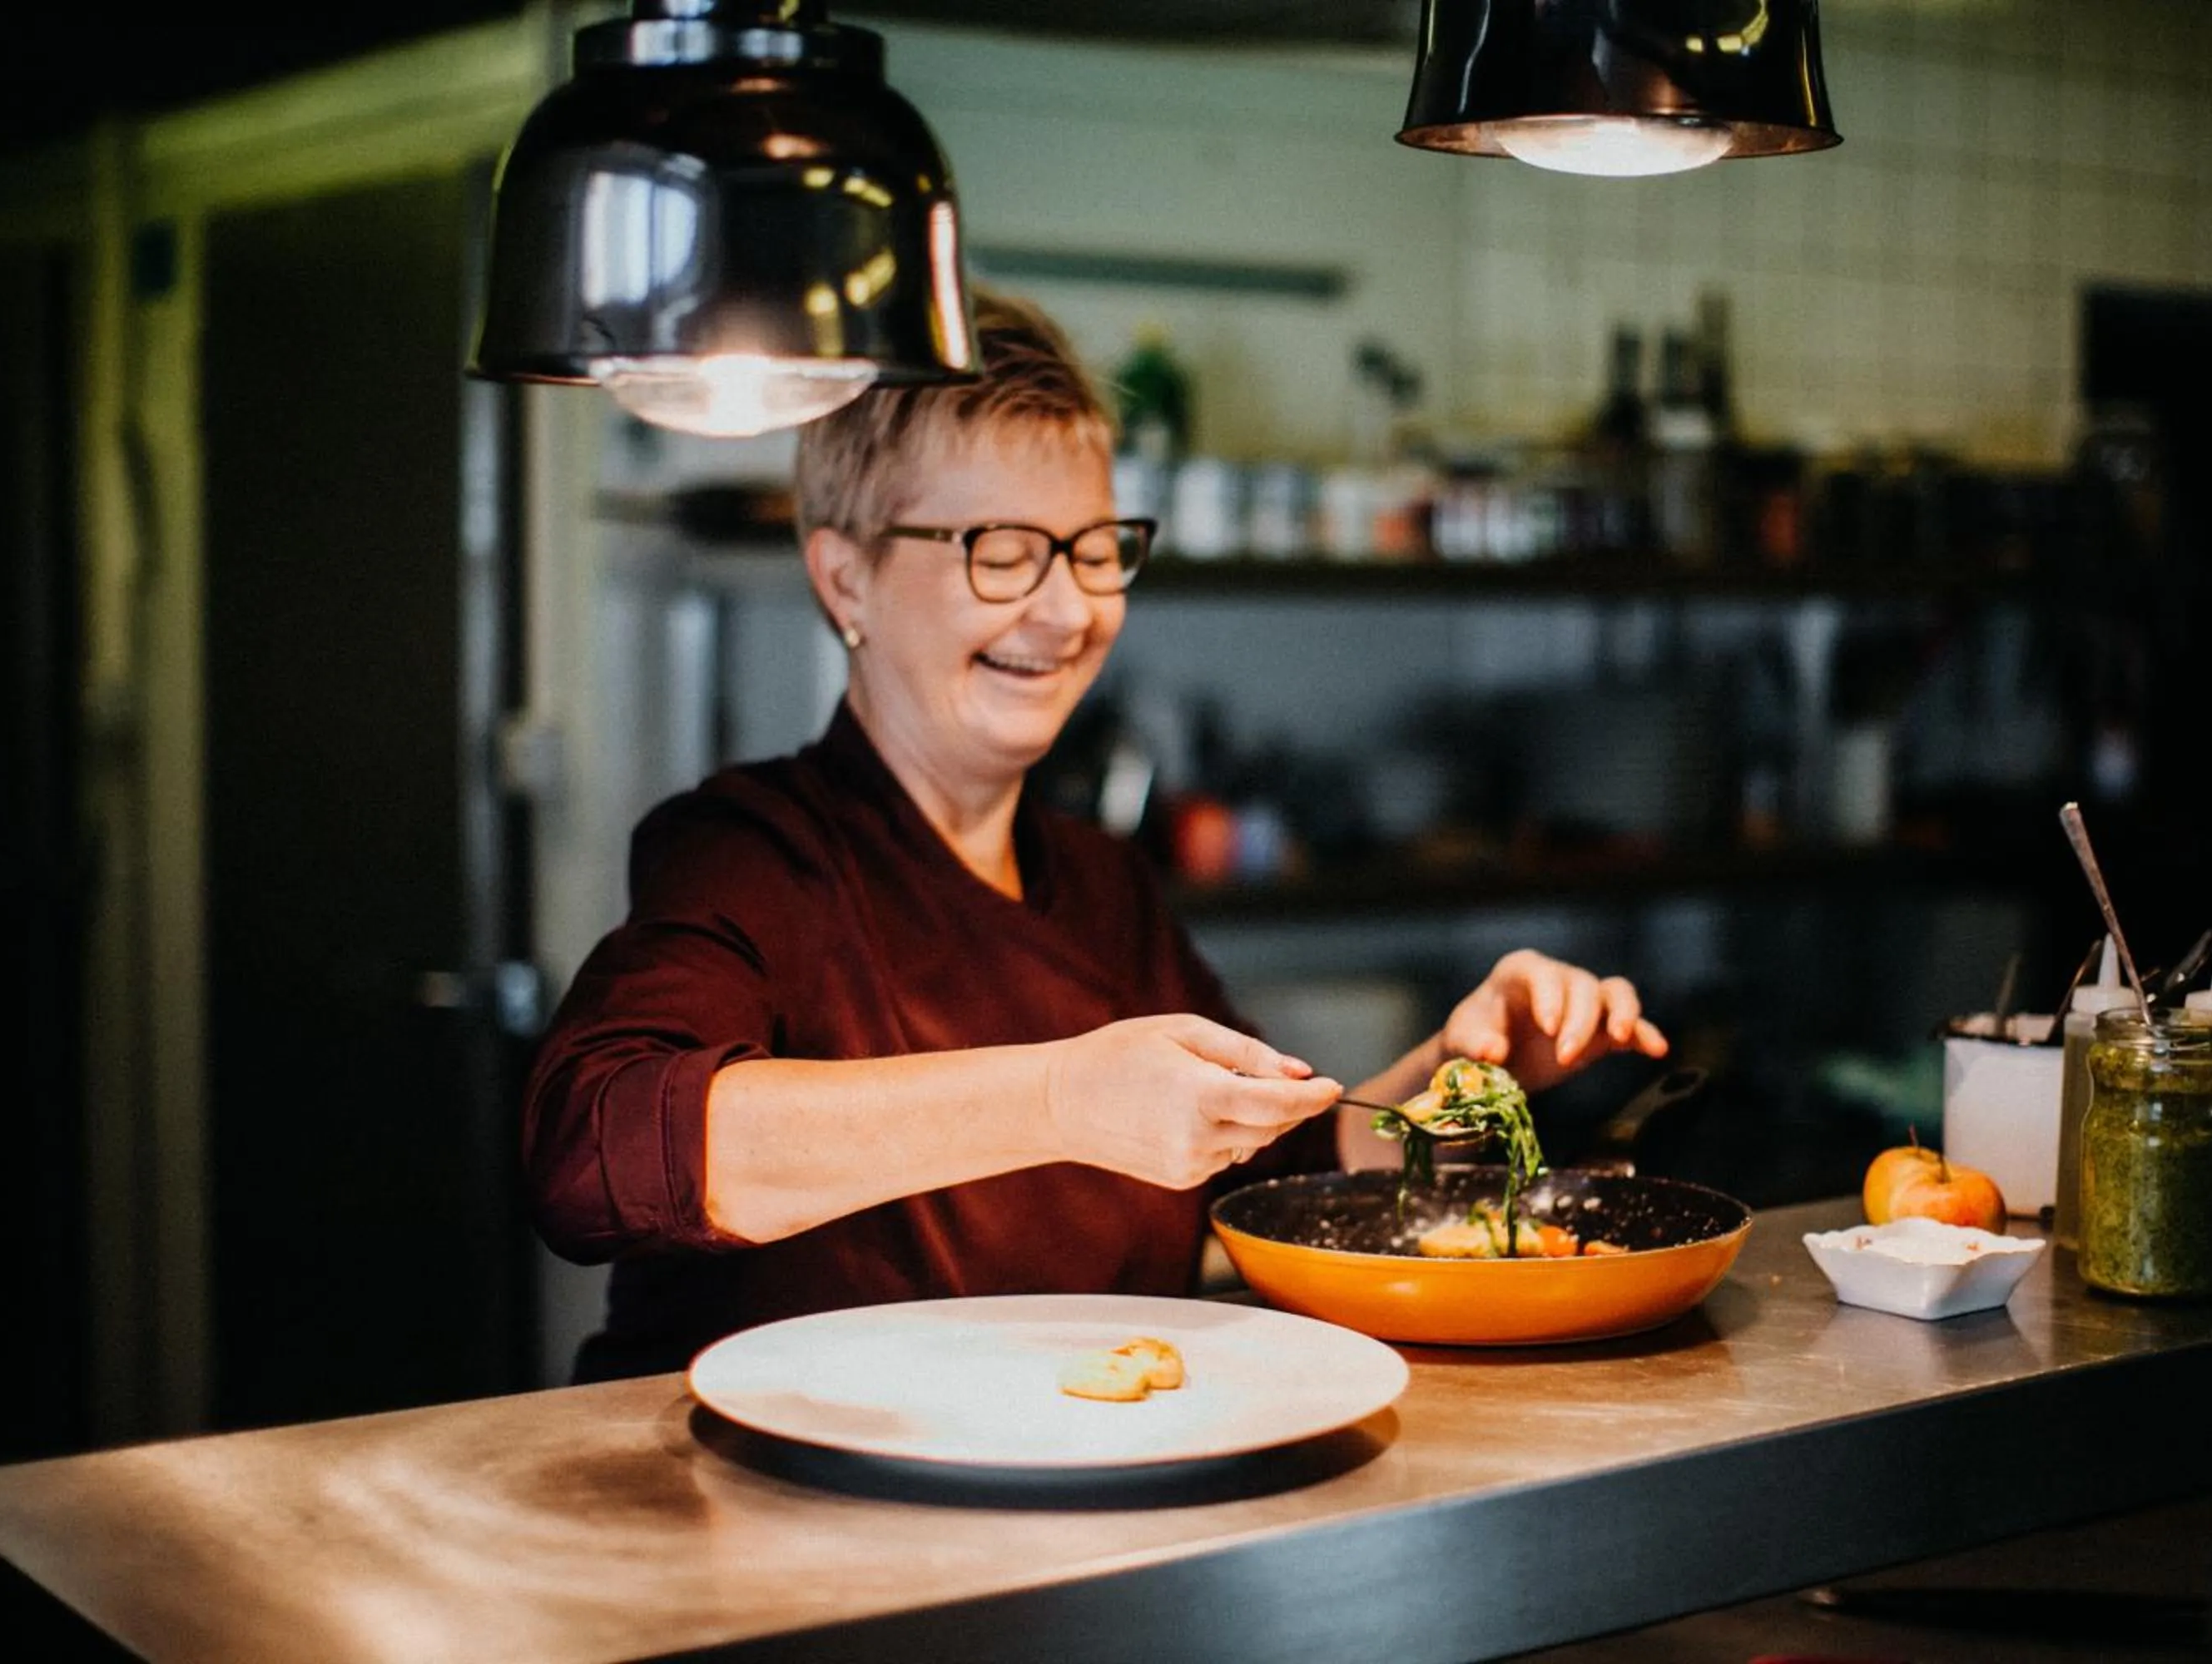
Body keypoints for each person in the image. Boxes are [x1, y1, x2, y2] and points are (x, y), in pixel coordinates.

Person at [523, 290, 1670, 1381]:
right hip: (774, 1526)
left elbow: (1276, 1168)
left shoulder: (1098, 881)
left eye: (1092, 548)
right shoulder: (751, 850)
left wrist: (1459, 1082)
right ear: (847, 580)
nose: (1069, 611)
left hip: (1070, 1515)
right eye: (1001, 551)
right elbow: (596, 1152)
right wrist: (1059, 1099)